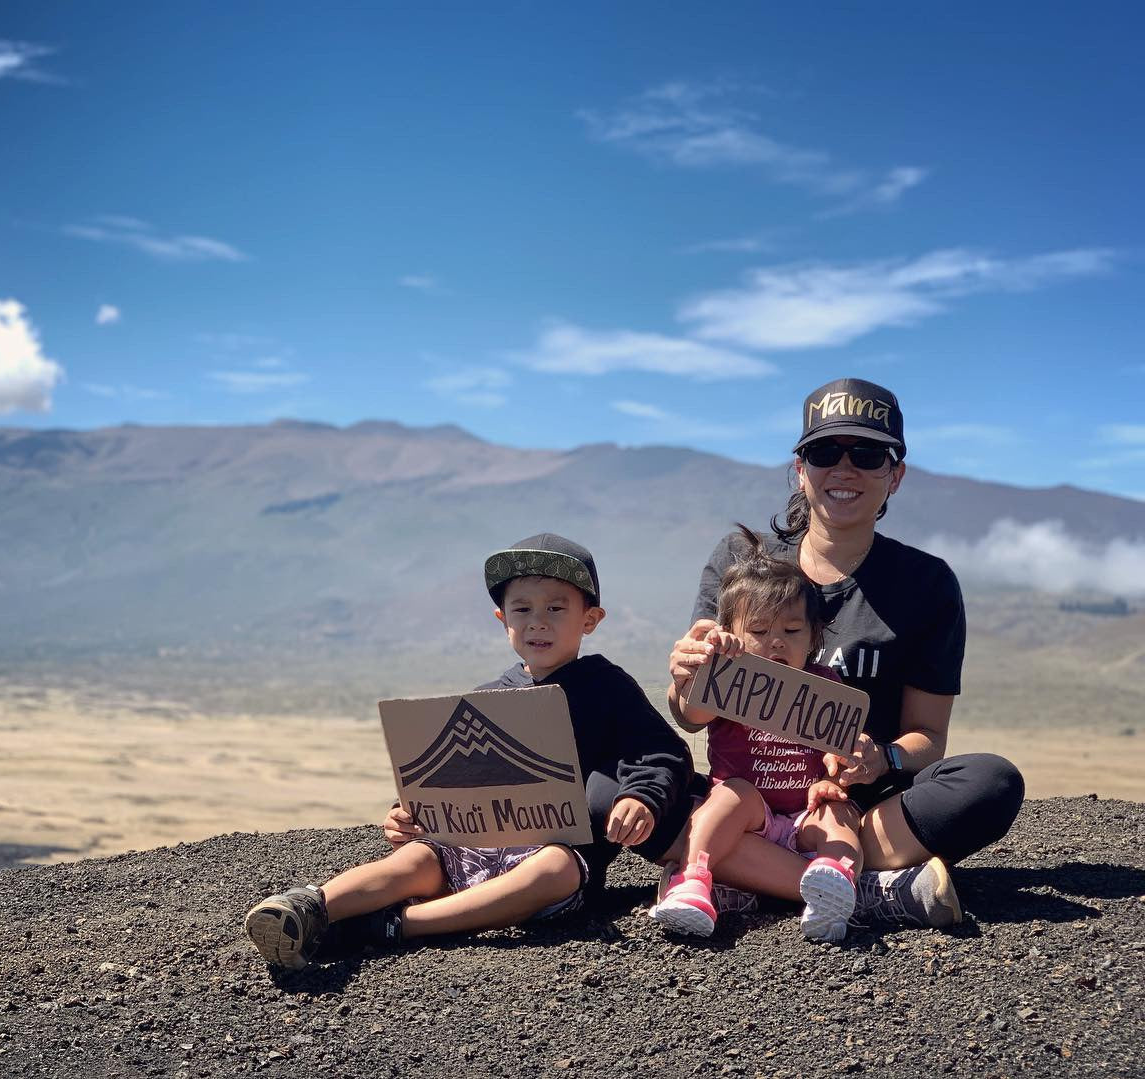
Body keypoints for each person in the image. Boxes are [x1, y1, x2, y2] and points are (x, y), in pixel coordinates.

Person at [666, 378, 1025, 929]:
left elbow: (927, 737)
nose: (845, 469)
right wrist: (685, 675)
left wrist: (882, 759)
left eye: (868, 454)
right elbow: (692, 711)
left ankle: (736, 873)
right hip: (745, 796)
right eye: (825, 451)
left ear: (895, 475)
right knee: (624, 790)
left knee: (991, 783)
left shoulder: (925, 584)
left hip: (853, 805)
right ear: (800, 468)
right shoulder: (744, 560)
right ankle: (870, 892)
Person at [243, 532, 694, 970]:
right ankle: (311, 907)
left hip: (555, 854)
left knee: (554, 870)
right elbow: (444, 774)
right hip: (472, 845)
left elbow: (660, 752)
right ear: (503, 620)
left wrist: (642, 799)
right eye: (522, 609)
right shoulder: (487, 699)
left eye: (557, 608)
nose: (538, 621)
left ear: (590, 619)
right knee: (416, 859)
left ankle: (397, 926)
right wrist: (408, 811)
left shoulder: (608, 687)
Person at [651, 525, 862, 942]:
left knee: (838, 815)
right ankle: (693, 880)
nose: (776, 643)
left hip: (806, 813)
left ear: (815, 635)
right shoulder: (728, 679)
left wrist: (832, 779)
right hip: (750, 819)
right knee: (731, 794)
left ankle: (834, 879)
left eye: (792, 631)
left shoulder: (826, 684)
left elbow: (840, 749)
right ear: (732, 632)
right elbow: (693, 711)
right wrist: (715, 659)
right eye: (760, 632)